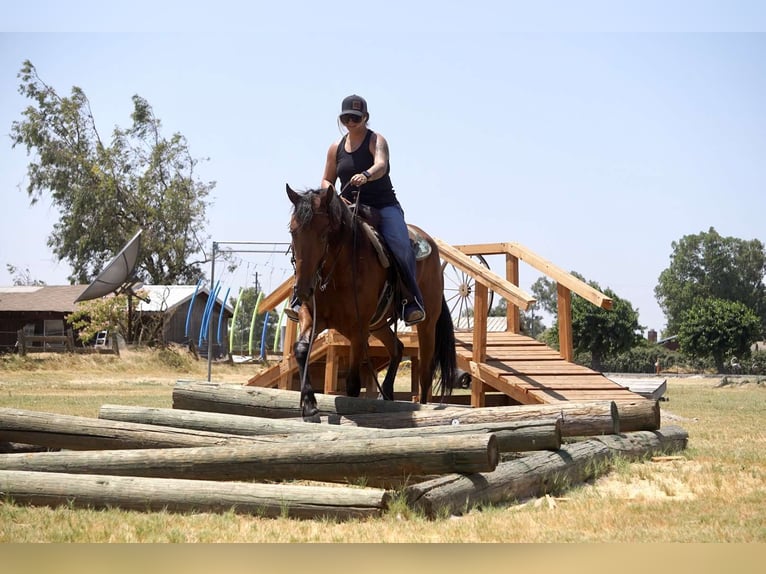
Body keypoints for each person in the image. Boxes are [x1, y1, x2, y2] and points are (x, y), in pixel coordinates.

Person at [287, 94, 426, 326]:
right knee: (310, 235)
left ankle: (410, 300)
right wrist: (332, 196)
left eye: (356, 118)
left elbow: (381, 165)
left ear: (365, 118)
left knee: (400, 244)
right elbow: (326, 179)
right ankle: (299, 297)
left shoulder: (376, 140)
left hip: (383, 206)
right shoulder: (335, 148)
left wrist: (367, 175)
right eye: (346, 118)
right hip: (347, 205)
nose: (350, 123)